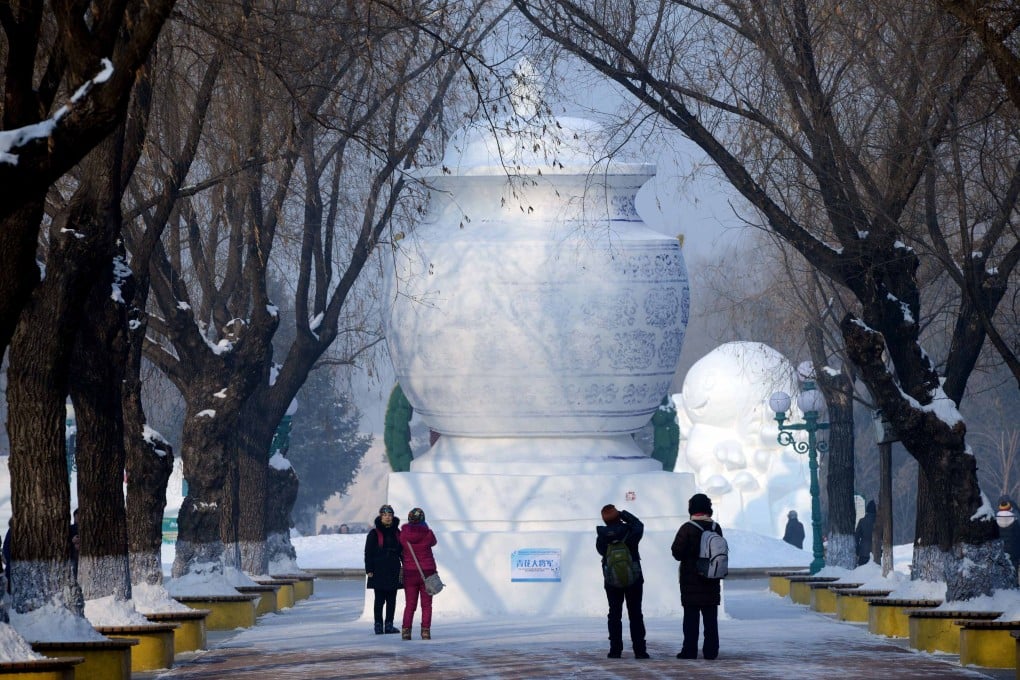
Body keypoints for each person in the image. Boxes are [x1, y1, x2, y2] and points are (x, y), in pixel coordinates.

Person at [671, 493, 722, 660]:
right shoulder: (716, 527)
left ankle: (689, 651)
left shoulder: (687, 528)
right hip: (711, 579)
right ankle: (711, 651)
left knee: (691, 620)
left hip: (691, 581)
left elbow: (677, 553)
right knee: (711, 620)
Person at [596, 504, 648, 659]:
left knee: (614, 614)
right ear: (618, 516)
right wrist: (623, 514)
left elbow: (600, 551)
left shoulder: (602, 535)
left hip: (612, 579)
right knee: (635, 614)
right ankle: (640, 651)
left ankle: (615, 650)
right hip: (634, 577)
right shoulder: (629, 531)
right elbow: (639, 526)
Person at [399, 507, 437, 640]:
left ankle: (406, 631)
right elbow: (434, 542)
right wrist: (425, 527)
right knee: (426, 605)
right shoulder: (428, 534)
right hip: (427, 573)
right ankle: (425, 631)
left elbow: (401, 544)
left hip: (409, 573)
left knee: (410, 604)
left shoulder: (403, 534)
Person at [364, 504, 402, 635]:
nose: (387, 517)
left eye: (390, 515)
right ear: (380, 516)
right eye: (385, 515)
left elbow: (402, 552)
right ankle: (378, 624)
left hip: (393, 568)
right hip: (378, 569)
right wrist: (368, 569)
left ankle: (389, 624)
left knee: (392, 599)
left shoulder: (397, 533)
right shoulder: (374, 533)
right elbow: (368, 552)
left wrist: (406, 565)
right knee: (379, 599)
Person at [996, 497, 1020, 579]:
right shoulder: (1015, 521)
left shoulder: (994, 521)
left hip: (1000, 551)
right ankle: (1014, 587)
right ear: (1010, 508)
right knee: (1014, 570)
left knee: (1001, 572)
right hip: (1014, 551)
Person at [855, 500, 877, 566]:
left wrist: (857, 549)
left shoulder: (862, 521)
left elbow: (857, 536)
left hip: (863, 551)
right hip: (875, 551)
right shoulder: (878, 522)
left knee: (862, 571)